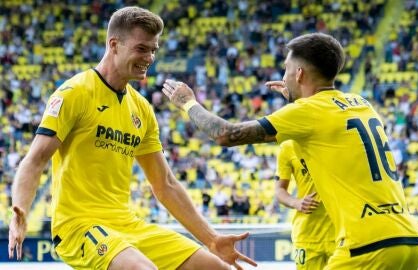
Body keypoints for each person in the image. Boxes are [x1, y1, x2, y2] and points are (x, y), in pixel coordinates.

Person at [8, 6, 256, 270]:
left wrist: (212, 239)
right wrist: (20, 210)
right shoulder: (74, 93)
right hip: (78, 225)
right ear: (114, 45)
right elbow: (35, 160)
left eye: (153, 50)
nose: (149, 57)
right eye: (141, 48)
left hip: (126, 226)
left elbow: (166, 185)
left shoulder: (142, 109)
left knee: (214, 267)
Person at [162, 32, 418, 269]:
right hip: (409, 240)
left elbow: (226, 134)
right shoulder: (360, 102)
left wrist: (188, 104)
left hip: (367, 245)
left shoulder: (307, 112)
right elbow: (323, 125)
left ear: (299, 74)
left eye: (287, 69)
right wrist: (297, 97)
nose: (284, 75)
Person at [274, 140, 335, 269]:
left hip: (340, 233)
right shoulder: (287, 147)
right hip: (307, 235)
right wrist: (296, 202)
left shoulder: (335, 139)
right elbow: (279, 190)